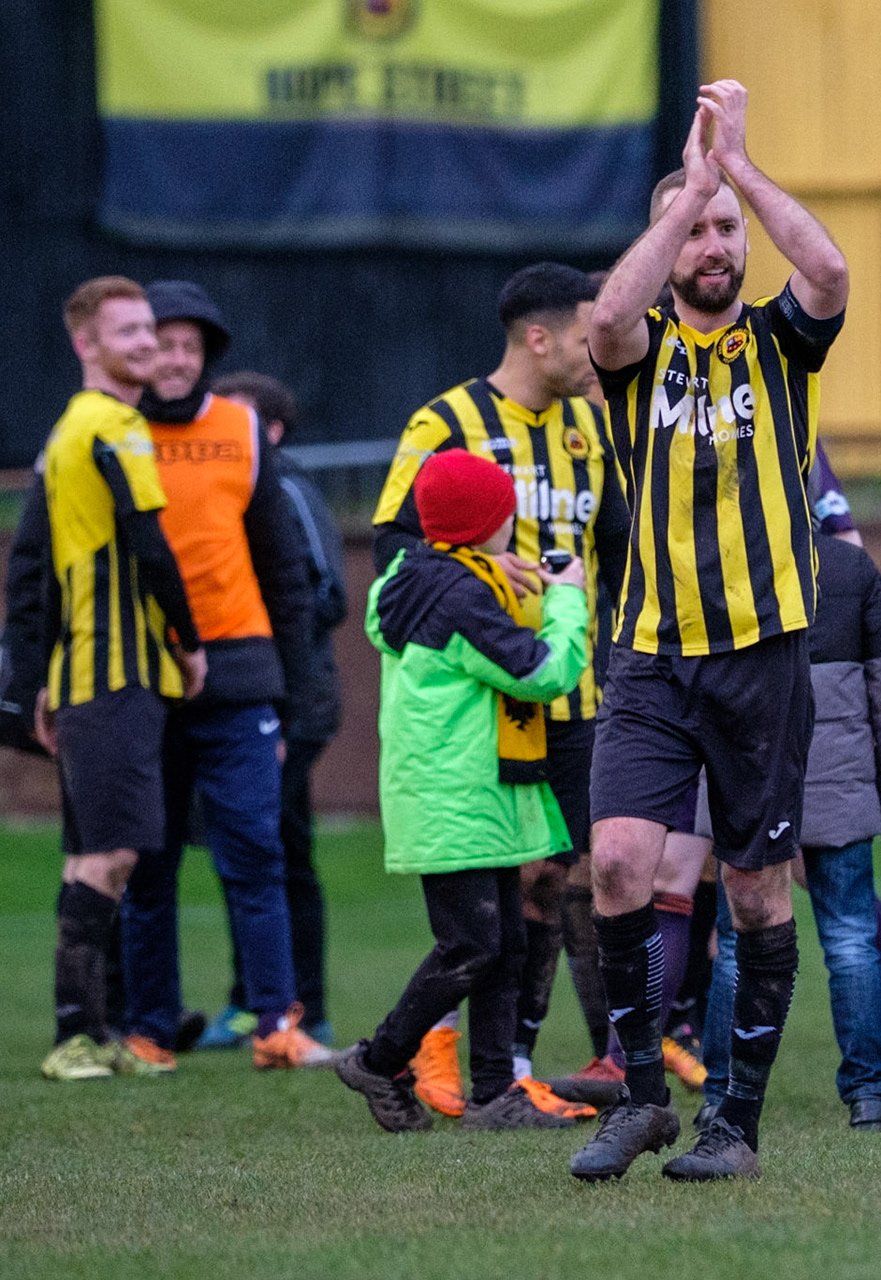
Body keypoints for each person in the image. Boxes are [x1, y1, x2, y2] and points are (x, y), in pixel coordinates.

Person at [568, 78, 849, 1183]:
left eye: (727, 229)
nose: (715, 246)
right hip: (649, 650)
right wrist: (686, 191)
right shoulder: (634, 355)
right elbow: (602, 317)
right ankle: (641, 1098)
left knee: (755, 888)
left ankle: (734, 1119)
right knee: (619, 862)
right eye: (694, 232)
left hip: (763, 650)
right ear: (667, 243)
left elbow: (825, 270)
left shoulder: (783, 342)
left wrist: (736, 167)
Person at [371, 262, 630, 1115]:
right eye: (589, 334)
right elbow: (400, 558)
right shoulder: (444, 423)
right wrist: (486, 582)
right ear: (540, 336)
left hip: (580, 693)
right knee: (514, 893)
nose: (603, 352)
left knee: (593, 872)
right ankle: (487, 1061)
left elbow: (619, 549)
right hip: (499, 699)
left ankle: (599, 1054)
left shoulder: (593, 426)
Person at [335, 450, 593, 1132]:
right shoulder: (459, 597)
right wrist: (569, 600)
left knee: (502, 943)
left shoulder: (411, 576)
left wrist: (484, 567)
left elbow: (451, 587)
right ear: (490, 523)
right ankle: (379, 1057)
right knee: (472, 947)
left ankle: (492, 1094)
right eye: (505, 517)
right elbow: (540, 672)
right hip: (461, 797)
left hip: (466, 796)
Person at [116, 280, 328, 1073]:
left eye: (188, 346)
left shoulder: (240, 429)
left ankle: (277, 1023)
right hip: (138, 677)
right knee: (149, 859)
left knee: (256, 854)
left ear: (205, 355)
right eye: (160, 343)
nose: (174, 358)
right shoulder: (112, 430)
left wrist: (298, 693)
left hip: (239, 676)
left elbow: (282, 567)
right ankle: (149, 1029)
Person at [15, 278, 205, 1081]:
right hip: (116, 674)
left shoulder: (67, 430)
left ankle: (93, 1032)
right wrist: (190, 643)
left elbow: (51, 569)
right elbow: (151, 546)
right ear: (84, 344)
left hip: (87, 672)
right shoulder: (115, 424)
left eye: (147, 330)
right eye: (125, 331)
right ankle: (73, 1039)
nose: (146, 344)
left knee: (93, 854)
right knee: (111, 857)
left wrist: (44, 675)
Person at [698, 530, 881, 1132]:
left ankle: (717, 1095)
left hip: (744, 781)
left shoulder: (712, 560)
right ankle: (870, 1096)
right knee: (851, 939)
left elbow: (692, 689)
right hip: (839, 786)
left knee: (737, 944)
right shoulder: (848, 567)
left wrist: (697, 802)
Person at [193, 371, 346, 1048]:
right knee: (248, 844)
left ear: (272, 431)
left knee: (277, 847)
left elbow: (328, 596)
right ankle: (257, 1000)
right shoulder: (231, 491)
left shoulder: (285, 489)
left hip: (292, 699)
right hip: (249, 691)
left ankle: (299, 1006)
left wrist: (258, 639)